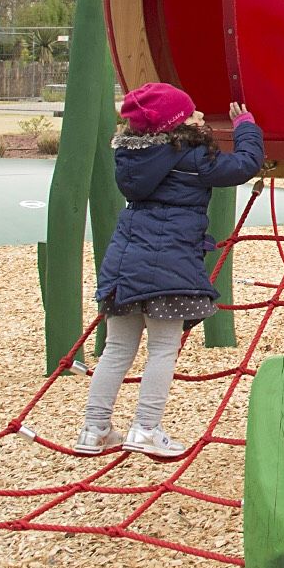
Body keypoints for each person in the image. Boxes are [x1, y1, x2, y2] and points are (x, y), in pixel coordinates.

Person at [74, 84, 265, 459]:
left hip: (123, 267)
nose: (198, 118)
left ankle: (93, 430)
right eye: (192, 114)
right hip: (168, 270)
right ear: (177, 126)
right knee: (163, 348)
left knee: (116, 350)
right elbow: (244, 165)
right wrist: (245, 126)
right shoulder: (191, 158)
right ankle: (145, 428)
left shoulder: (129, 159)